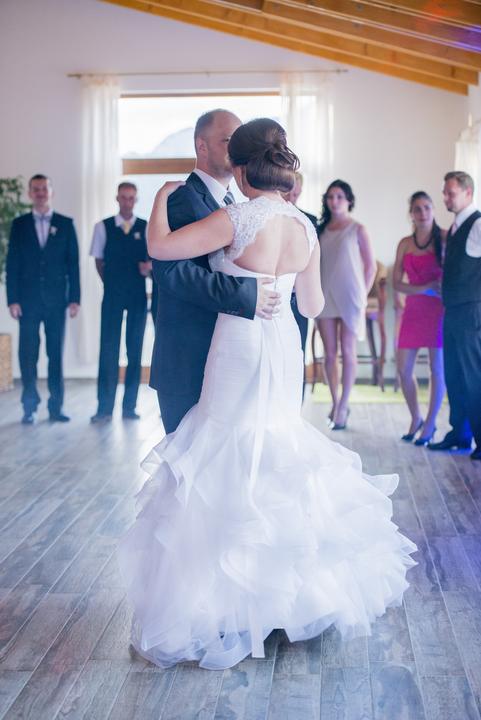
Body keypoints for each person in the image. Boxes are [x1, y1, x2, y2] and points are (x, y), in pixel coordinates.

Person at [118, 119, 416, 671]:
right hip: (283, 348)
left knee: (225, 449)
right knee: (279, 446)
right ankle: (288, 600)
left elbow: (160, 247)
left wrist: (159, 198)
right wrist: (280, 279)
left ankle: (228, 601)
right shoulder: (305, 224)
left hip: (239, 342)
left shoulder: (237, 217)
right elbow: (312, 305)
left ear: (240, 168)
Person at [149, 109, 281, 433]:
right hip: (188, 357)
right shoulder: (182, 199)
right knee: (186, 457)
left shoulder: (238, 204)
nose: (237, 149)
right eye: (228, 141)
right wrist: (245, 293)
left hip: (228, 355)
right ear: (202, 146)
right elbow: (172, 271)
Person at [6, 174, 80, 423]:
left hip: (57, 301)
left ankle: (56, 407)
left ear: (51, 192)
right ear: (30, 193)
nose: (40, 193)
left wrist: (75, 298)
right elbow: (12, 263)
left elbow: (73, 264)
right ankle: (29, 407)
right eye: (36, 189)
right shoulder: (19, 225)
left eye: (44, 189)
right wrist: (12, 299)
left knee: (55, 355)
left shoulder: (66, 224)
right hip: (26, 302)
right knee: (28, 355)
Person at [315, 180, 376, 430]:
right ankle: (335, 400)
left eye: (339, 196)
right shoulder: (320, 229)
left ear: (349, 200)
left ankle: (344, 404)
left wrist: (362, 295)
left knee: (348, 351)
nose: (335, 201)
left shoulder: (358, 229)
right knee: (330, 353)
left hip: (351, 296)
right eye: (331, 197)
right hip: (324, 294)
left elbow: (370, 266)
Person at [429, 171, 481, 461]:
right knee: (455, 374)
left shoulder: (477, 224)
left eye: (451, 193)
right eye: (445, 192)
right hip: (453, 310)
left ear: (468, 193)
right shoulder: (456, 226)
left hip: (471, 311)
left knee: (474, 375)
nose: (446, 198)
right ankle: (459, 433)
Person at [90, 182, 150, 423]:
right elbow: (98, 261)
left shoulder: (146, 227)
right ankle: (104, 408)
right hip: (112, 295)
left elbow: (152, 260)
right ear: (117, 199)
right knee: (108, 350)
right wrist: (110, 282)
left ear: (136, 200)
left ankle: (129, 407)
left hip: (137, 296)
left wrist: (148, 269)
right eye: (123, 197)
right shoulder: (102, 227)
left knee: (135, 350)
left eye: (131, 198)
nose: (127, 202)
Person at [393, 191, 446, 445]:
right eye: (417, 209)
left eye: (426, 207)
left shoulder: (445, 238)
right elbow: (396, 283)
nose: (422, 213)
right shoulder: (405, 243)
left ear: (433, 209)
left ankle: (431, 423)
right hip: (413, 310)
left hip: (439, 310)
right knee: (404, 369)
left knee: (437, 368)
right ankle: (416, 417)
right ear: (411, 214)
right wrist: (423, 288)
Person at [284, 171, 318, 358]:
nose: (291, 197)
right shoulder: (270, 217)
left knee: (298, 348)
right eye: (289, 192)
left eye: (296, 193)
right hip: (276, 290)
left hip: (299, 293)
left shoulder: (310, 220)